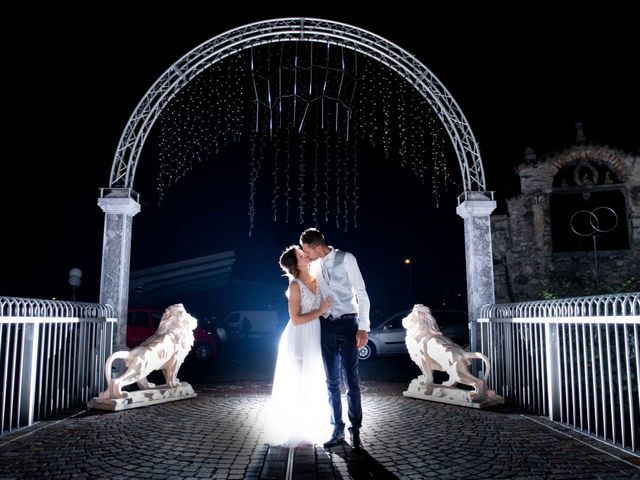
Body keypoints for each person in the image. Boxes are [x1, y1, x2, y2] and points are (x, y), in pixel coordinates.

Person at [300, 228, 370, 450]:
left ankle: (355, 429)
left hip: (349, 324)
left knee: (352, 379)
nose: (306, 255)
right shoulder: (313, 266)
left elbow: (361, 292)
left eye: (307, 251)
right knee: (331, 381)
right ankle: (336, 427)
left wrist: (364, 328)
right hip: (326, 326)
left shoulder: (347, 258)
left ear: (318, 247)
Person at [265, 245, 333, 447]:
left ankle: (308, 428)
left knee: (313, 381)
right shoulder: (295, 286)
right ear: (295, 263)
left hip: (315, 335)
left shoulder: (317, 277)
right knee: (302, 384)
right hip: (299, 336)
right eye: (300, 254)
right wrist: (320, 311)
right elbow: (295, 319)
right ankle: (299, 430)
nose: (304, 253)